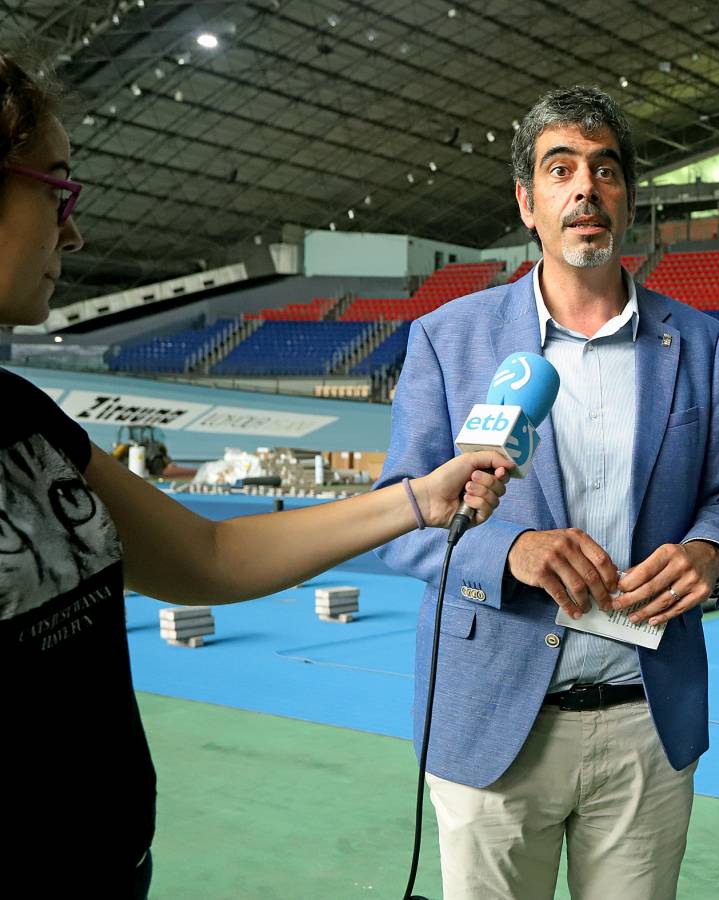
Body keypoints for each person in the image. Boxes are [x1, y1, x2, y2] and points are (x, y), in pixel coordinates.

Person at [0, 52, 511, 897]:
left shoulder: (27, 421)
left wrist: (419, 500)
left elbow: (207, 556)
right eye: (55, 190)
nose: (73, 230)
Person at [374, 85, 719, 900]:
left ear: (626, 200)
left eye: (605, 170)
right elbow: (400, 518)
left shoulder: (698, 342)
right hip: (492, 723)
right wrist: (509, 549)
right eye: (560, 169)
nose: (586, 187)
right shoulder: (448, 339)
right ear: (528, 201)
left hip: (644, 721)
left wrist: (709, 552)